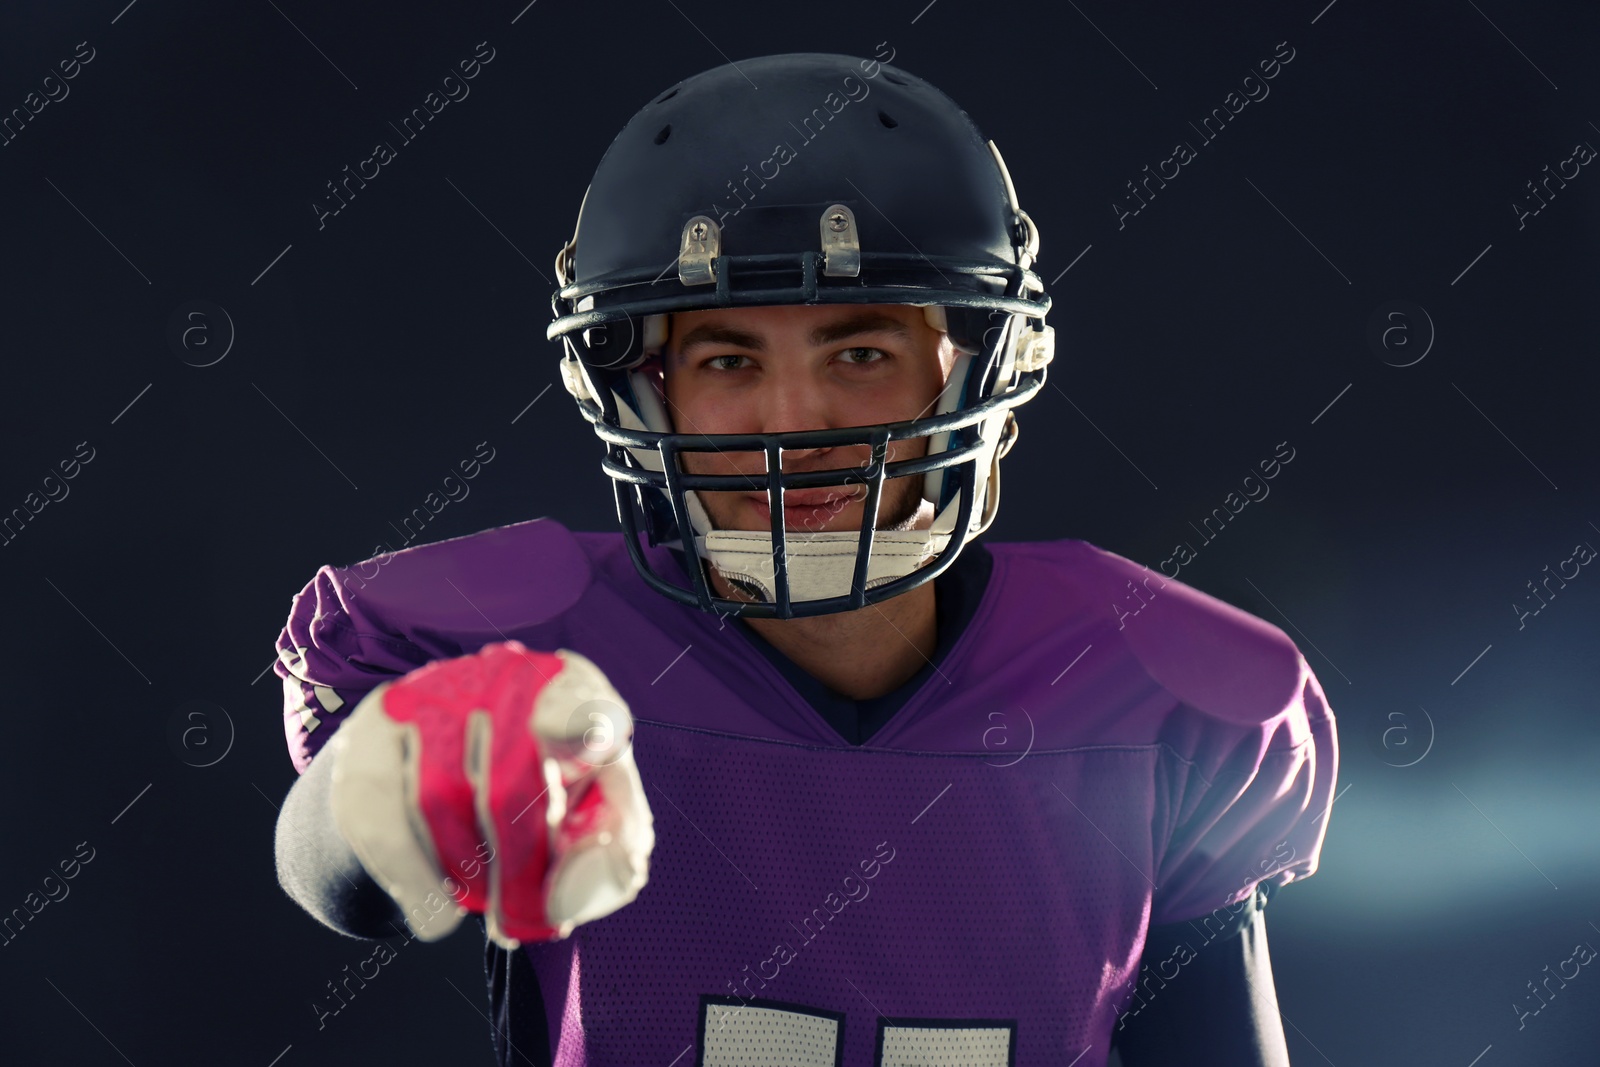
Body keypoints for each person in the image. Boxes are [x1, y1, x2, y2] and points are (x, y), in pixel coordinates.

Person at [272, 51, 1338, 1067]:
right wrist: (396, 777)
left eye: (860, 352)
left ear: (972, 365)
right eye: (729, 357)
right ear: (642, 389)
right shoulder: (531, 647)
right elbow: (343, 881)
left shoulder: (1149, 686)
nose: (796, 420)